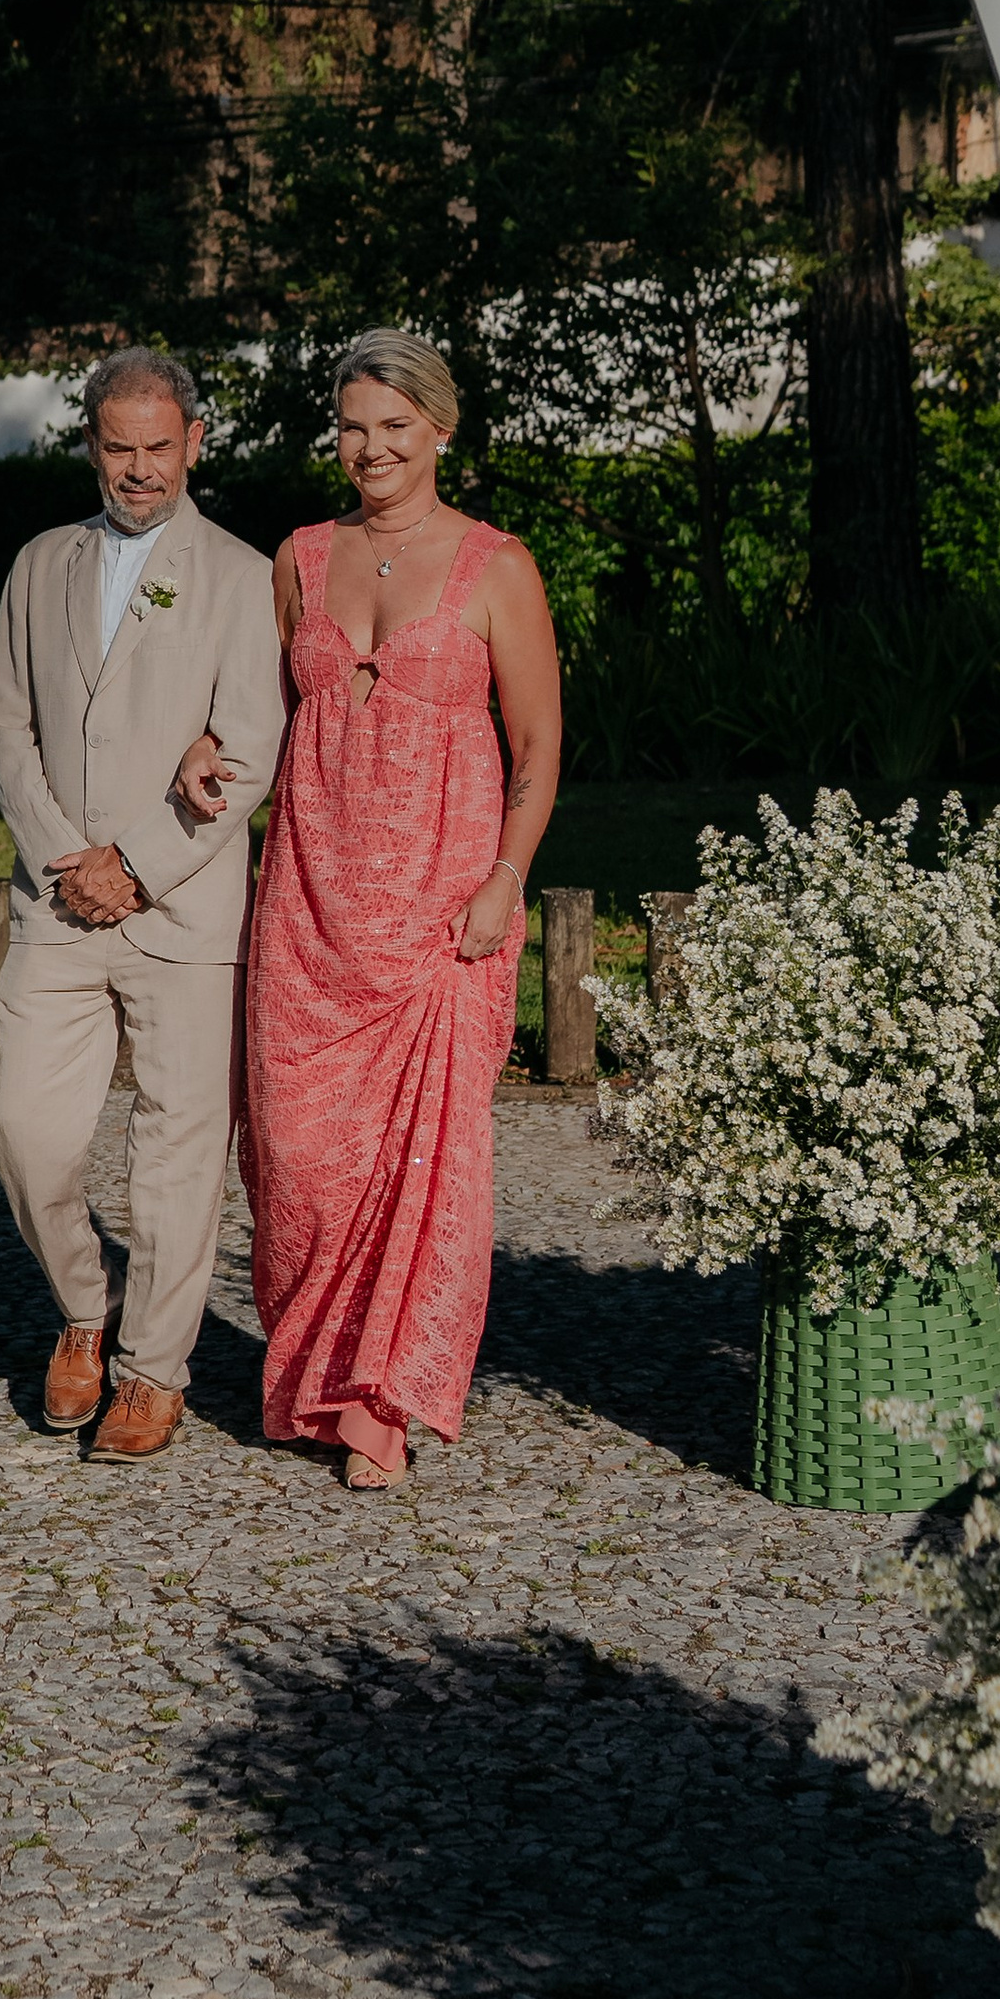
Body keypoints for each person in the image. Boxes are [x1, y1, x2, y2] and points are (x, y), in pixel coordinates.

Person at [176, 330, 562, 1489]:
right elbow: (256, 712)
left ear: (440, 429)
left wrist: (505, 878)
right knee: (298, 1158)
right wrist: (206, 744)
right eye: (352, 426)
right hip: (305, 904)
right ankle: (311, 1373)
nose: (372, 447)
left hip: (440, 914)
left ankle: (380, 1400)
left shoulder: (498, 566)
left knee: (421, 1167)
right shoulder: (298, 557)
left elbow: (538, 744)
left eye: (394, 425)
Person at [0, 348, 282, 1460]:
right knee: (23, 1131)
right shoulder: (37, 564)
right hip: (57, 900)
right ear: (91, 446)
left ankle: (154, 1370)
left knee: (176, 1152)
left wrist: (139, 866)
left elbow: (247, 751)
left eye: (160, 446)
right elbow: (6, 725)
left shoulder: (244, 576)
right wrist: (66, 857)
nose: (140, 468)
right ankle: (83, 1305)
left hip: (184, 907)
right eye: (120, 447)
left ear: (194, 442)